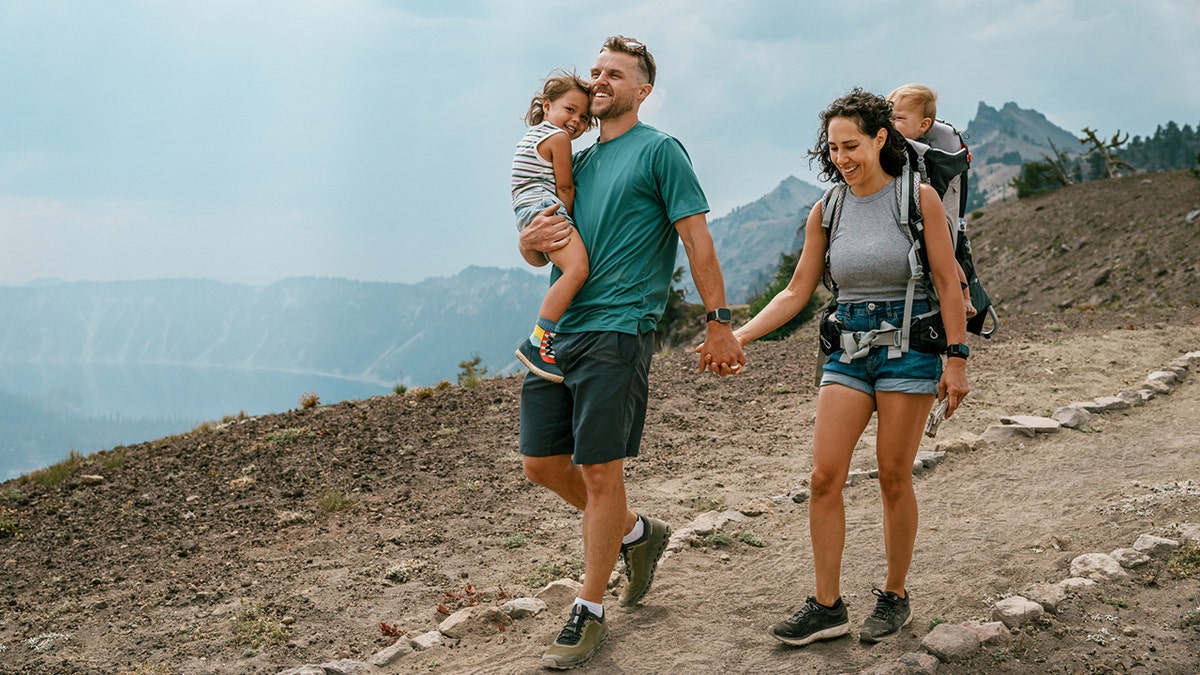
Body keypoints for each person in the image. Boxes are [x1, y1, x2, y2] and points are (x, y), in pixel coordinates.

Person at [516, 35, 745, 669]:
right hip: (561, 333)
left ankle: (589, 610)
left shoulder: (660, 151)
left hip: (619, 329)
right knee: (540, 463)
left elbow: (697, 241)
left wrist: (720, 321)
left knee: (599, 472)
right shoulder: (577, 161)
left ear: (641, 90)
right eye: (593, 71)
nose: (598, 81)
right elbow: (546, 247)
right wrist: (529, 245)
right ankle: (638, 533)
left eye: (613, 73)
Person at [731, 88, 969, 646]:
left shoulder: (920, 198)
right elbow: (796, 292)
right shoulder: (828, 207)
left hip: (911, 345)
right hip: (848, 348)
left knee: (892, 475)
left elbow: (947, 283)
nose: (841, 157)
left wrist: (955, 360)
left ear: (881, 139)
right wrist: (737, 335)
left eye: (852, 145)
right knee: (823, 478)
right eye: (833, 148)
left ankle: (895, 594)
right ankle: (827, 606)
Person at [511, 69, 594, 383]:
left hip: (527, 209)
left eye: (585, 117)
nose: (576, 121)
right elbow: (565, 188)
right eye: (569, 110)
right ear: (547, 106)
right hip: (546, 207)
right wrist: (569, 218)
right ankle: (538, 342)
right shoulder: (557, 138)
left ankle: (542, 342)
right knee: (578, 269)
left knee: (569, 267)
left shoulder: (531, 137)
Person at [887, 83, 976, 318]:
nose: (890, 123)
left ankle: (965, 296)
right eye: (888, 116)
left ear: (923, 126)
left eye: (898, 118)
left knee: (945, 253)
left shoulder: (924, 155)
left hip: (929, 220)